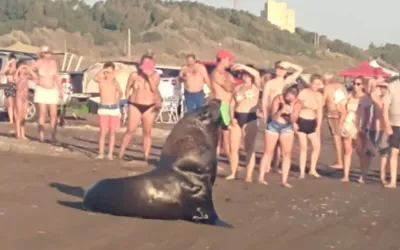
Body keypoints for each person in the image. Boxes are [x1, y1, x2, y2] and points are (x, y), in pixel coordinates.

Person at [261, 61, 303, 173]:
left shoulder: (287, 81)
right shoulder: (270, 83)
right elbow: (265, 100)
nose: (280, 70)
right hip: (273, 113)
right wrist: (265, 115)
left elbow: (300, 69)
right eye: (278, 68)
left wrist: (289, 64)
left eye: (282, 69)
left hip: (286, 114)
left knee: (282, 143)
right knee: (270, 144)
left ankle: (276, 164)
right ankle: (267, 165)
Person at [119, 55, 162, 162]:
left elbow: (154, 89)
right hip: (135, 104)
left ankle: (146, 156)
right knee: (130, 130)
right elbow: (128, 87)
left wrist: (148, 76)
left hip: (149, 106)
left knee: (147, 132)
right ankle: (121, 153)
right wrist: (128, 96)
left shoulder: (155, 75)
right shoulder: (134, 75)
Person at [259, 85, 301, 187]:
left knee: (286, 154)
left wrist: (291, 113)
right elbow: (273, 117)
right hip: (273, 125)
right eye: (288, 95)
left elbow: (293, 120)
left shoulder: (298, 103)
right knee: (268, 151)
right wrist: (281, 110)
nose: (289, 98)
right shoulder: (277, 99)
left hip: (287, 127)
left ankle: (284, 180)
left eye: (292, 96)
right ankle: (261, 177)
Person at [225, 63, 260, 182]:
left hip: (250, 117)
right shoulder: (238, 88)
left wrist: (244, 66)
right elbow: (232, 103)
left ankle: (249, 174)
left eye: (248, 74)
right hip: (237, 117)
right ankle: (233, 172)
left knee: (249, 147)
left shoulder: (256, 87)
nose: (246, 76)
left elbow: (257, 74)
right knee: (233, 147)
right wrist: (231, 117)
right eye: (244, 75)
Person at [338, 76, 372, 183]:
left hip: (359, 124)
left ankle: (363, 175)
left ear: (362, 85)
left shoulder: (366, 98)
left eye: (358, 84)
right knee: (347, 151)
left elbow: (367, 115)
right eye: (354, 83)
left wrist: (365, 127)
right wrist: (341, 123)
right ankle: (346, 175)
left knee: (360, 151)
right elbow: (344, 111)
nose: (355, 86)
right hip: (348, 123)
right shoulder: (350, 96)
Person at [90, 62, 123, 160]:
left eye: (109, 72)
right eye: (106, 72)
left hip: (113, 108)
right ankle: (101, 153)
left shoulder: (115, 82)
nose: (108, 74)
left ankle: (110, 154)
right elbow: (95, 78)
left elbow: (121, 93)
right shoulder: (101, 80)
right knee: (103, 132)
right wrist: (103, 69)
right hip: (103, 108)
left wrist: (118, 99)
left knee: (112, 132)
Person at [30, 45, 63, 142]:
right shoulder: (38, 63)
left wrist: (60, 90)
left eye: (49, 52)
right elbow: (29, 69)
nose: (48, 54)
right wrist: (35, 78)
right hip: (42, 90)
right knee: (42, 113)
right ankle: (41, 135)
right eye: (46, 52)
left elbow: (56, 76)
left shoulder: (53, 63)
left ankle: (53, 136)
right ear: (42, 54)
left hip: (52, 90)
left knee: (53, 114)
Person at [295, 74, 324, 178]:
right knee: (303, 147)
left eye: (318, 84)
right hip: (302, 120)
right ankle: (302, 172)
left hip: (312, 122)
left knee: (317, 146)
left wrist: (318, 126)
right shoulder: (304, 92)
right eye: (315, 83)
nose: (316, 86)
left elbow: (320, 111)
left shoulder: (319, 96)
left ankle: (312, 169)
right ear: (311, 83)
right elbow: (297, 106)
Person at [210, 49, 236, 164]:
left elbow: (232, 86)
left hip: (227, 106)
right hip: (221, 106)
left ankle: (224, 161)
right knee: (225, 137)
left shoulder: (227, 74)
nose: (231, 62)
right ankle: (232, 163)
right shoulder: (217, 73)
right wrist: (231, 82)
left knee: (223, 137)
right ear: (224, 59)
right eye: (229, 59)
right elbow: (229, 88)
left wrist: (231, 81)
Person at [323, 74, 347, 169]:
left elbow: (323, 102)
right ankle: (343, 160)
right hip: (343, 113)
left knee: (336, 138)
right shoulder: (341, 86)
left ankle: (339, 161)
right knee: (342, 138)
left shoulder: (327, 87)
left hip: (332, 113)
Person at [369, 79, 390, 185]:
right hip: (382, 129)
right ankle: (382, 177)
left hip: (392, 128)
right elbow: (372, 94)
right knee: (384, 154)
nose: (382, 89)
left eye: (385, 87)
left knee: (390, 153)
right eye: (381, 87)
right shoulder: (379, 99)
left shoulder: (389, 99)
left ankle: (388, 175)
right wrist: (376, 83)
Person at [382, 76, 400, 188]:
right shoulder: (392, 86)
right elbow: (385, 106)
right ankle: (393, 181)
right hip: (395, 124)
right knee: (393, 152)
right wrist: (387, 124)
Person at [14, 60, 36, 139]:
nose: (24, 69)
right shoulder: (18, 76)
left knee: (23, 116)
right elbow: (15, 78)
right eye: (23, 67)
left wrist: (28, 68)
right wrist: (19, 69)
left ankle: (23, 134)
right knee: (18, 115)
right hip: (19, 96)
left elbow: (35, 77)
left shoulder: (26, 76)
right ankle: (18, 134)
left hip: (25, 97)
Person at [3, 53, 17, 123]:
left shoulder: (17, 68)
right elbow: (3, 72)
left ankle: (15, 118)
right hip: (8, 85)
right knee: (10, 104)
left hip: (15, 85)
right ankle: (11, 119)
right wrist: (8, 63)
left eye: (14, 61)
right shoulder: (8, 67)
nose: (13, 62)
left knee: (15, 104)